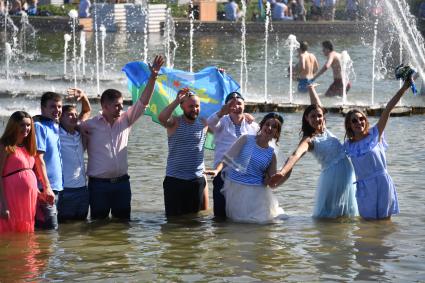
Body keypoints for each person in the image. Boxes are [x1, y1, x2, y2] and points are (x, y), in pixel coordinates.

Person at [80, 55, 164, 221]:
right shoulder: (89, 125)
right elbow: (71, 128)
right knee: (98, 225)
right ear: (104, 106)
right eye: (116, 105)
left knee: (123, 225)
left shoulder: (126, 119)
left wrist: (153, 77)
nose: (121, 108)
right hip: (98, 185)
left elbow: (143, 101)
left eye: (121, 104)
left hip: (122, 184)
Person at [268, 85, 358, 218]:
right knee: (330, 216)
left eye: (319, 116)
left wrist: (311, 89)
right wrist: (282, 172)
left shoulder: (324, 128)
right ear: (307, 119)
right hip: (332, 177)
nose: (317, 119)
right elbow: (295, 155)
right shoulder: (308, 140)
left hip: (347, 176)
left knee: (346, 217)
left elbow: (317, 105)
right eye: (313, 117)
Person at [343, 78, 413, 220]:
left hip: (382, 183)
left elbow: (388, 109)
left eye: (361, 118)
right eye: (354, 120)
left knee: (384, 223)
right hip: (364, 187)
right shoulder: (348, 146)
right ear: (349, 125)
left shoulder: (376, 134)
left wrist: (404, 87)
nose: (359, 122)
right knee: (367, 223)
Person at [206, 113, 285, 224]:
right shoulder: (246, 139)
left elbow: (271, 182)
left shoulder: (271, 155)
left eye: (274, 127)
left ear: (277, 133)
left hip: (258, 193)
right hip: (235, 188)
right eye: (267, 124)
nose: (270, 128)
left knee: (260, 225)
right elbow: (227, 158)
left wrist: (277, 176)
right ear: (262, 126)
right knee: (238, 226)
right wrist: (217, 170)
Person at [206, 91, 259, 218]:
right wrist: (221, 113)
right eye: (232, 104)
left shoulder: (253, 126)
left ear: (244, 106)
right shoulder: (221, 122)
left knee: (241, 212)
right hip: (223, 172)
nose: (236, 107)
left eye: (239, 104)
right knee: (220, 213)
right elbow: (209, 124)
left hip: (244, 175)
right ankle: (220, 236)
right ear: (226, 107)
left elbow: (260, 145)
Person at [0, 111, 53, 233]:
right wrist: (2, 204)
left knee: (26, 232)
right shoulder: (5, 146)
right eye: (22, 125)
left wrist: (40, 193)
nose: (26, 128)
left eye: (29, 125)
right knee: (9, 231)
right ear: (14, 126)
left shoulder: (28, 147)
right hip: (11, 197)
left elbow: (28, 175)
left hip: (29, 198)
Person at [159, 88, 208, 217]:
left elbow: (222, 116)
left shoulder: (203, 123)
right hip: (175, 180)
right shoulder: (174, 122)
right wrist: (176, 101)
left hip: (195, 180)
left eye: (197, 106)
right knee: (173, 220)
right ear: (182, 106)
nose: (194, 109)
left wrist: (244, 116)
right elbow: (162, 118)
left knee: (194, 221)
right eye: (190, 106)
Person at [58, 88, 91, 222]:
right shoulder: (56, 133)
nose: (74, 117)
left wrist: (83, 96)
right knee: (65, 227)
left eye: (75, 114)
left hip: (83, 190)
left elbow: (87, 111)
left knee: (82, 226)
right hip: (66, 191)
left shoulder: (79, 132)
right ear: (60, 117)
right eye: (70, 115)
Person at [34, 91, 64, 230]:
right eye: (52, 106)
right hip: (45, 189)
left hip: (56, 188)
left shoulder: (54, 126)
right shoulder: (39, 127)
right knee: (50, 233)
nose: (57, 110)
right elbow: (38, 158)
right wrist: (46, 187)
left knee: (49, 233)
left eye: (59, 107)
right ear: (43, 108)